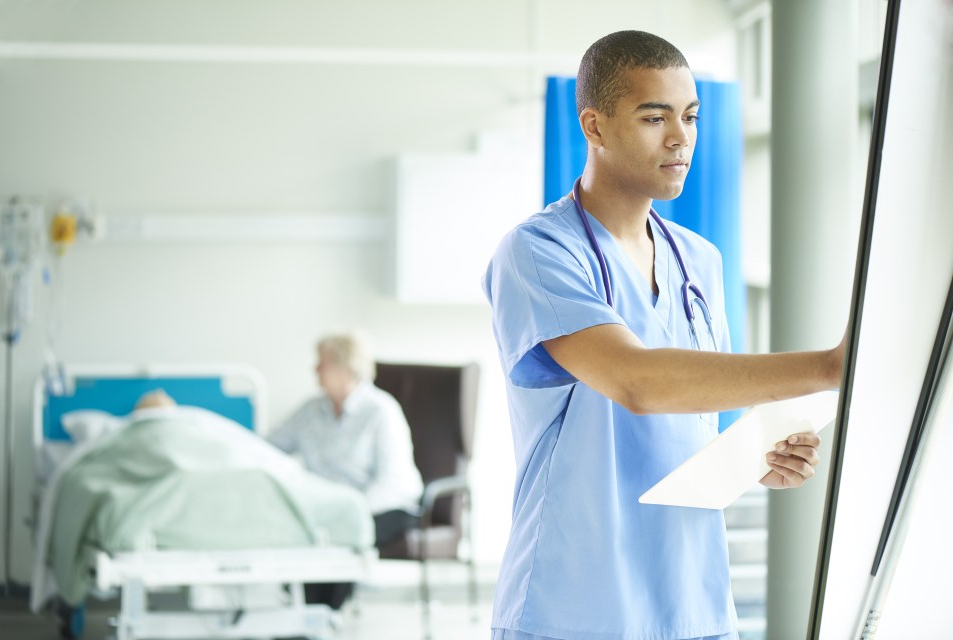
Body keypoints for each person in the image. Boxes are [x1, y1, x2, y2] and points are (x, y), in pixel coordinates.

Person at [482, 31, 846, 640]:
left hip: (692, 602)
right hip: (577, 605)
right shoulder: (539, 251)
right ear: (593, 126)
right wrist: (833, 365)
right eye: (655, 117)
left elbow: (691, 409)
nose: (680, 138)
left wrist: (756, 459)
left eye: (690, 116)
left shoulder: (700, 261)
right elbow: (638, 382)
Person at [269, 332, 424, 608]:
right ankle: (309, 619)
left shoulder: (380, 411)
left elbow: (394, 481)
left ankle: (321, 616)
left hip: (384, 507)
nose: (315, 370)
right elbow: (269, 448)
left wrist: (350, 509)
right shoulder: (310, 411)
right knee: (303, 529)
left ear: (345, 367)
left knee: (342, 533)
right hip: (328, 509)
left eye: (322, 363)